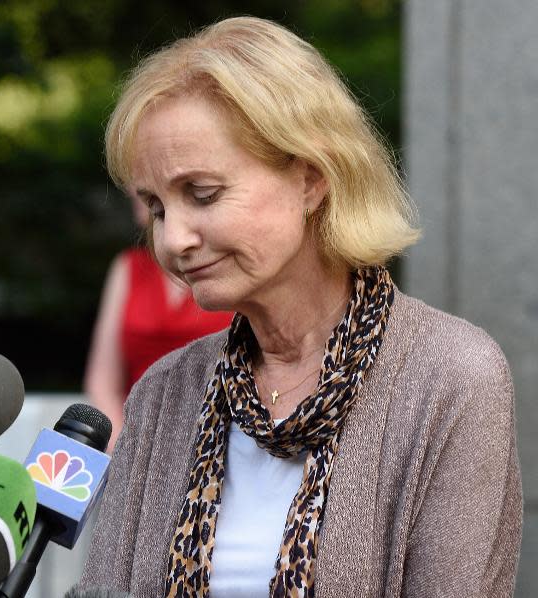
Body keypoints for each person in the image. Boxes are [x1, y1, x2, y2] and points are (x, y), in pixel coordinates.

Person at [79, 16, 522, 598]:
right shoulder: (165, 392)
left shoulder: (453, 377)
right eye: (157, 208)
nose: (173, 239)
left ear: (310, 180)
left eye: (203, 194)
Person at [84, 197, 233, 451]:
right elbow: (103, 381)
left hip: (220, 440)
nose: (132, 191)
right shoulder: (129, 266)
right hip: (136, 437)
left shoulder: (230, 269)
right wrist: (126, 449)